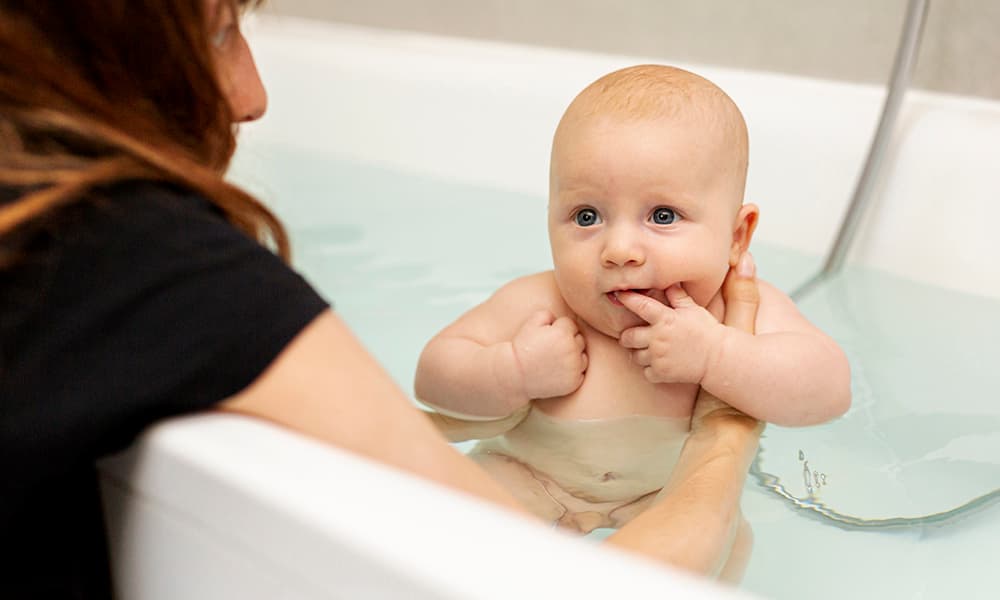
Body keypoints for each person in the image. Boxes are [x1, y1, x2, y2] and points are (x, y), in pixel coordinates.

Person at [0, 2, 763, 597]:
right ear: (94, 53)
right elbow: (564, 587)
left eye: (664, 217)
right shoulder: (149, 266)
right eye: (221, 32)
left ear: (737, 235)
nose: (253, 96)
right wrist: (727, 427)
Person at [415, 65, 852, 538]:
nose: (619, 250)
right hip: (529, 477)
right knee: (463, 516)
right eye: (587, 216)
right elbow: (433, 376)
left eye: (662, 215)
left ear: (736, 236)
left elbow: (828, 391)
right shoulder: (543, 305)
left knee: (729, 542)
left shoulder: (736, 312)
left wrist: (718, 355)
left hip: (661, 500)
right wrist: (512, 370)